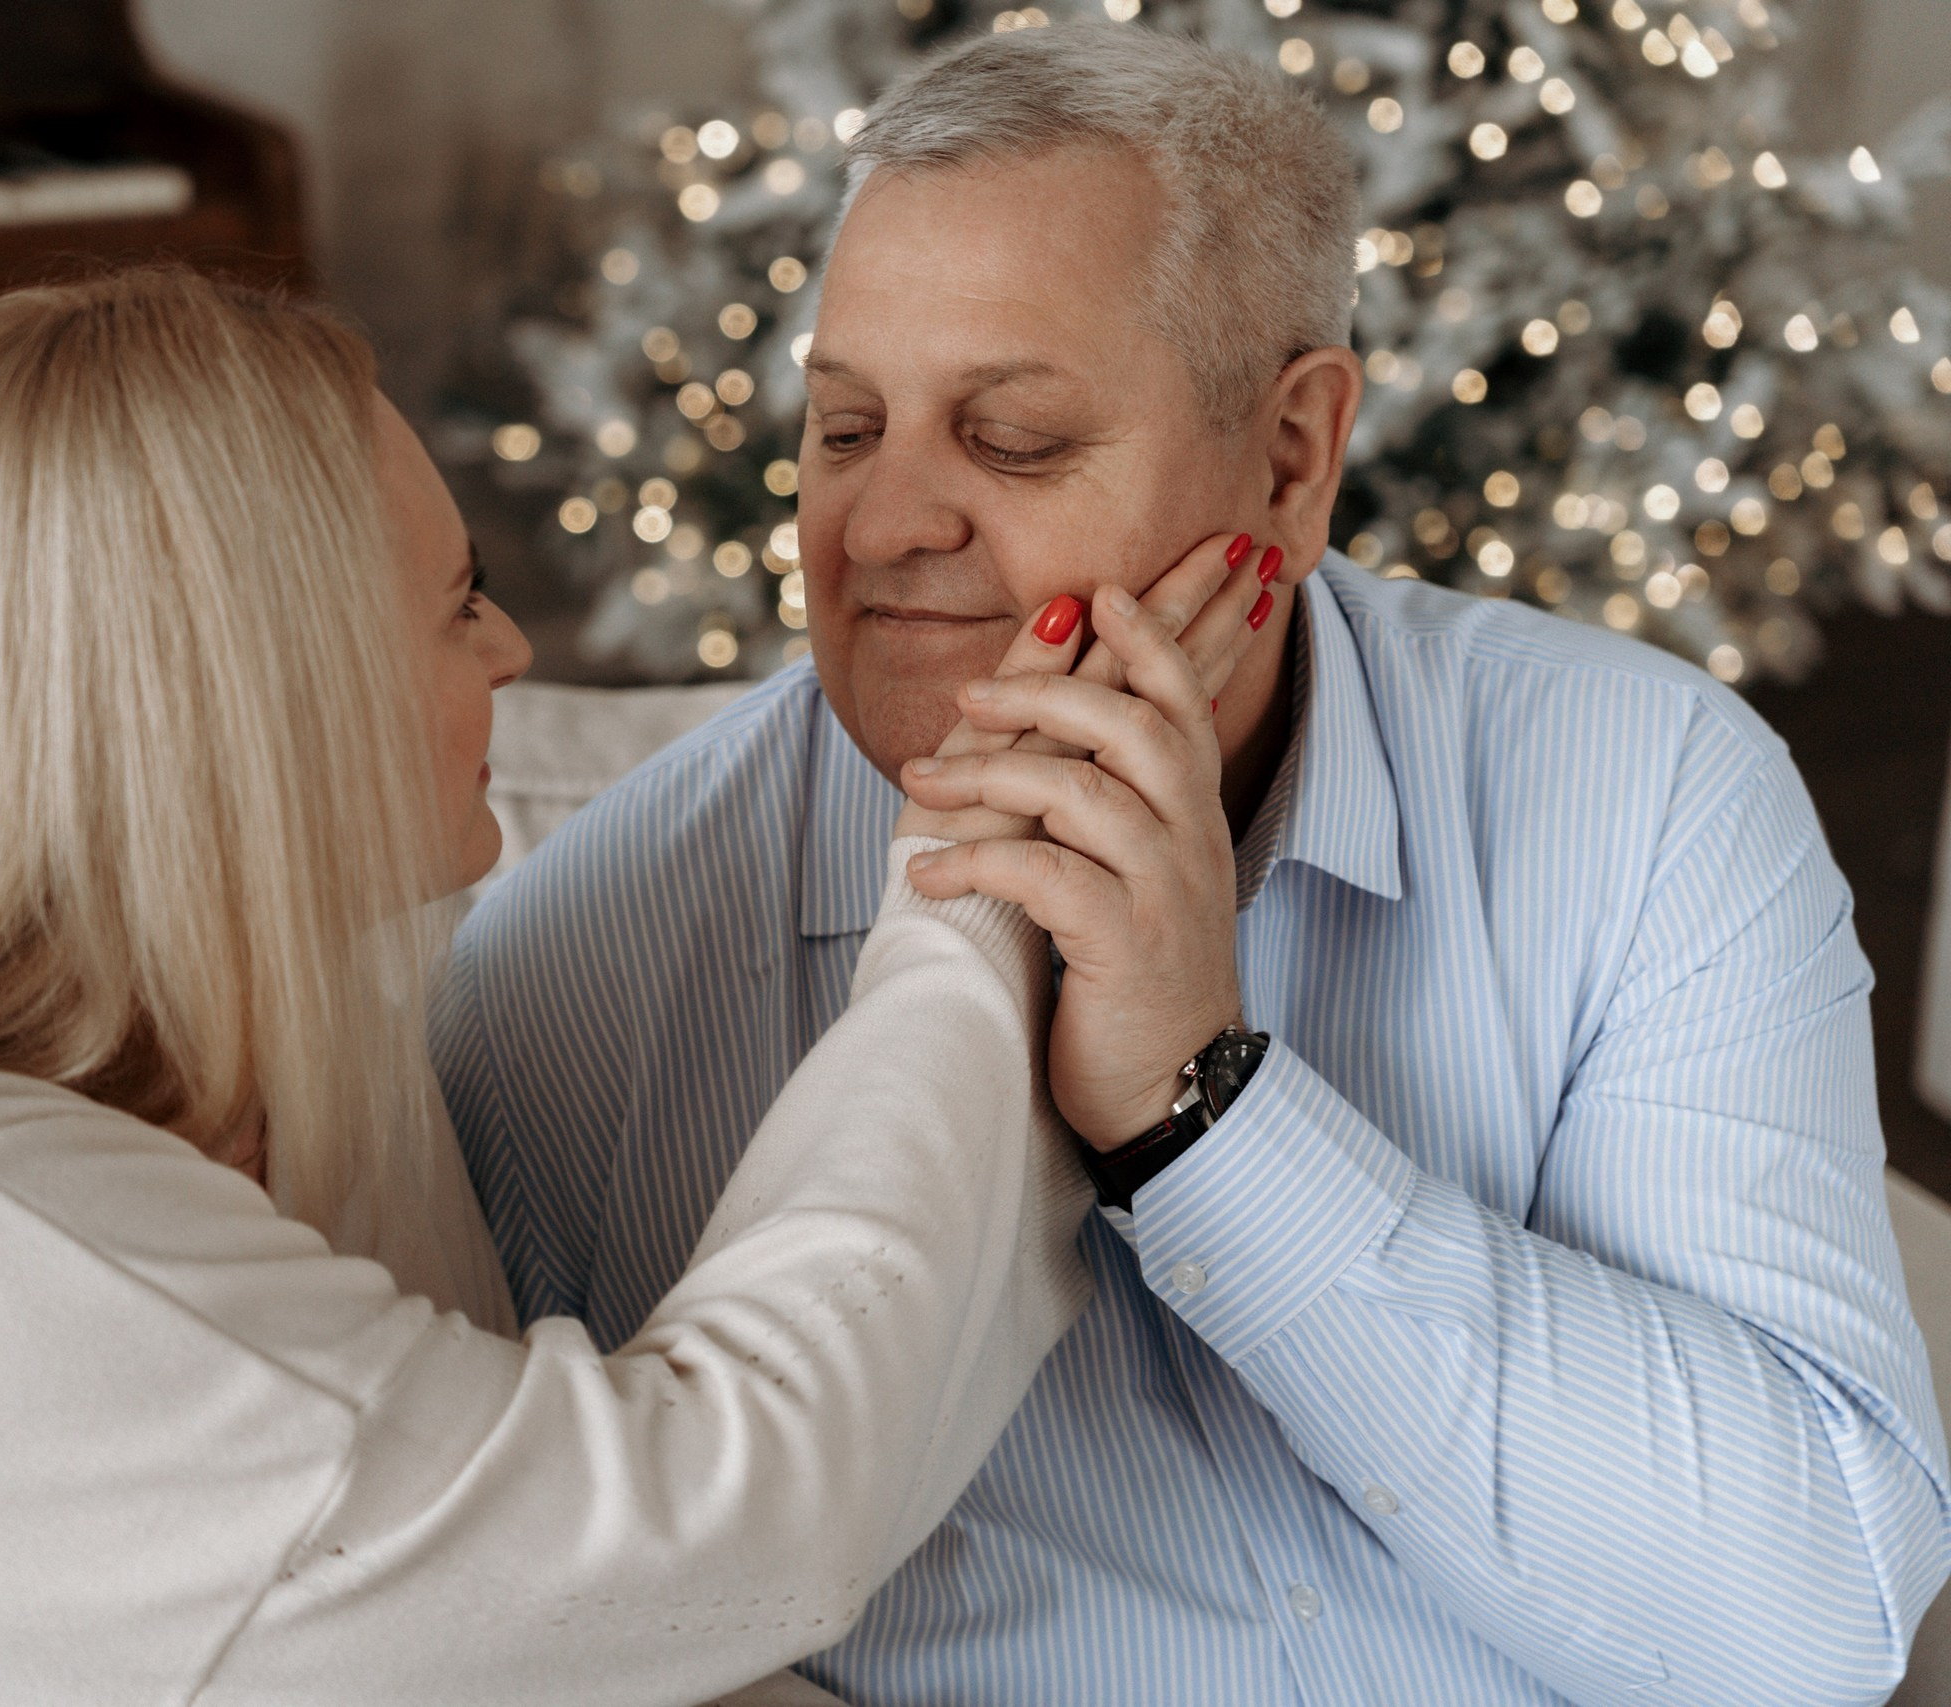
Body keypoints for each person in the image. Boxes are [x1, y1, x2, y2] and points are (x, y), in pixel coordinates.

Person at [0, 266, 1261, 1706]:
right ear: (261, 703)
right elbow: (723, 1508)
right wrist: (981, 888)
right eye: (456, 604)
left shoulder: (210, 1104)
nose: (516, 645)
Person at [437, 23, 1951, 1707]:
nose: (879, 531)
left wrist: (1203, 1114)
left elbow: (1809, 1626)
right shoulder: (573, 981)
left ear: (1293, 460)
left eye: (1011, 439)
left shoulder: (1648, 797)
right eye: (848, 429)